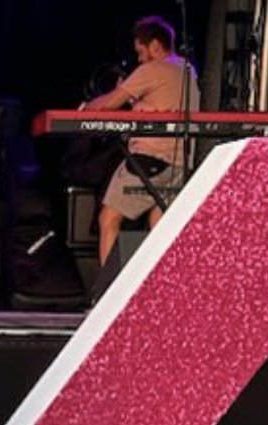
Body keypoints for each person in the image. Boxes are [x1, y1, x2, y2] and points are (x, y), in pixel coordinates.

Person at [83, 15, 201, 265]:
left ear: (155, 46)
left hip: (149, 160)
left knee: (108, 219)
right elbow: (159, 102)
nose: (138, 59)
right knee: (158, 226)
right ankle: (156, 291)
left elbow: (107, 105)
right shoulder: (187, 69)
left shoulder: (152, 69)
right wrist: (134, 98)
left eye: (141, 51)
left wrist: (85, 107)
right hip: (179, 164)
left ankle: (108, 295)